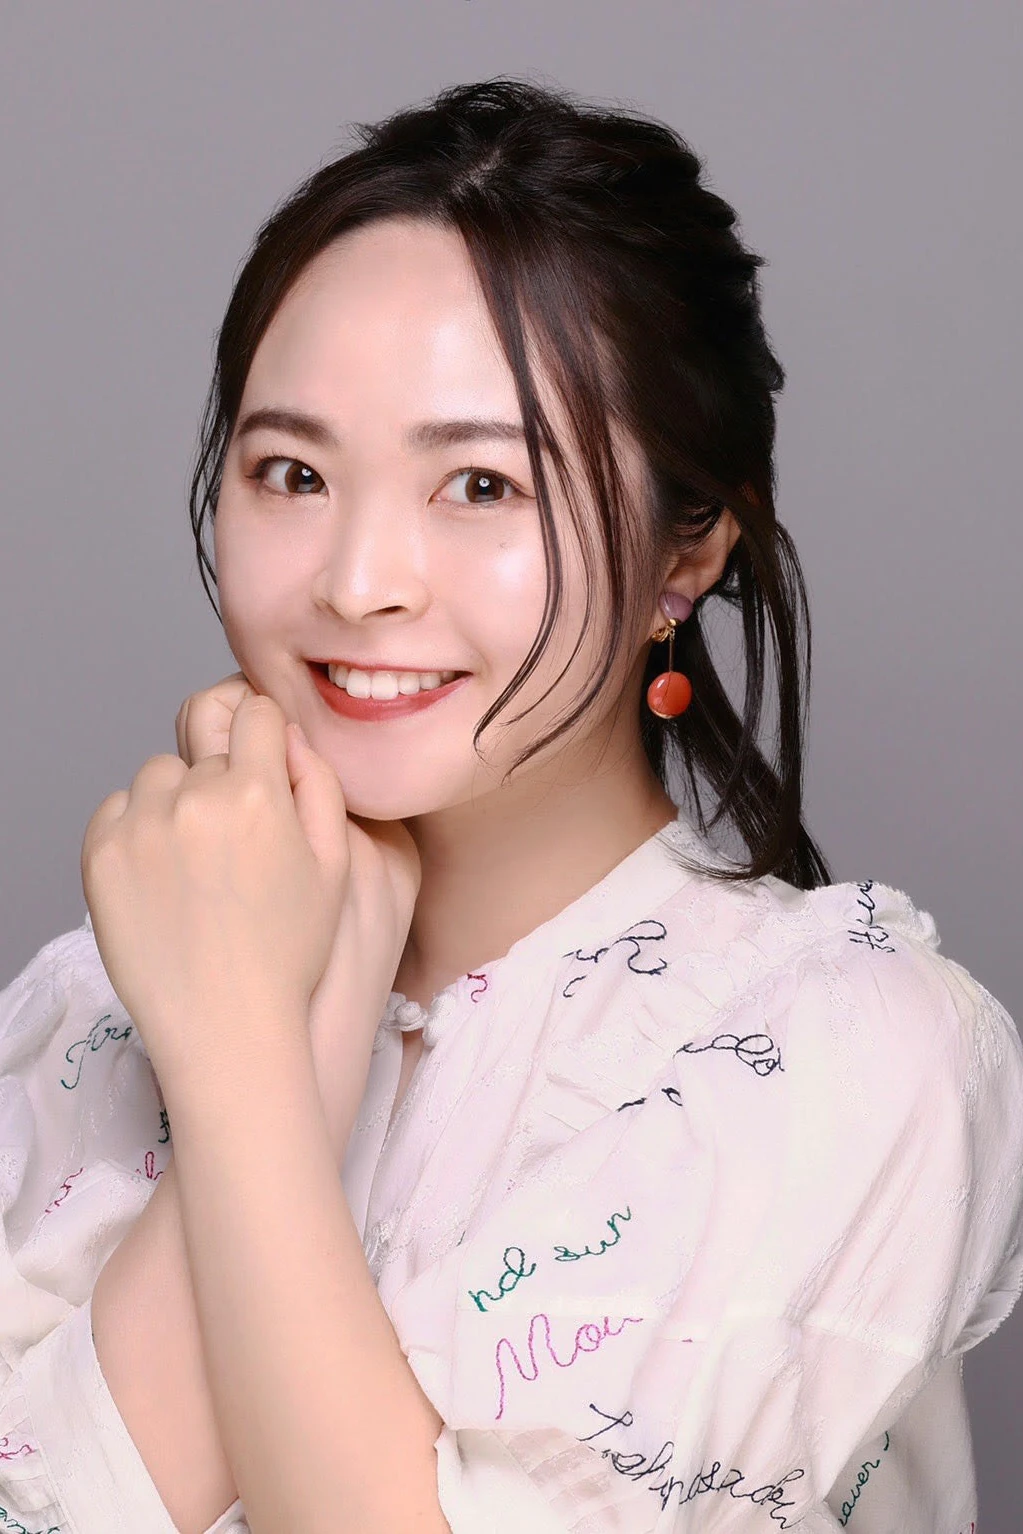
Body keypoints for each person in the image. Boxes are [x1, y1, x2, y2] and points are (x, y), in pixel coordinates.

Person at [1, 76, 1020, 1534]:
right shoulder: (94, 1004)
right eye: (291, 471)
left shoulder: (838, 1057)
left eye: (480, 486)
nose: (359, 581)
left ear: (686, 554)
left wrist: (247, 1067)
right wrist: (296, 1016)